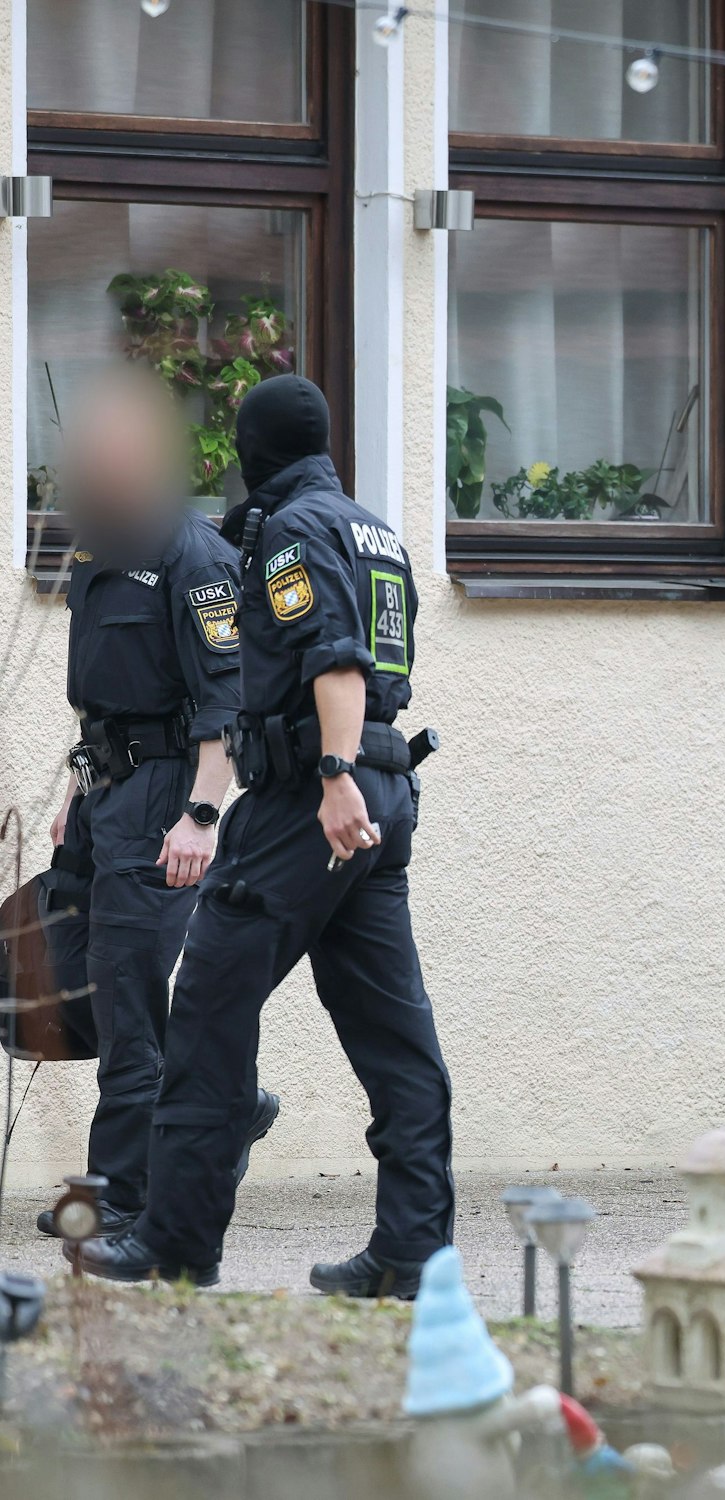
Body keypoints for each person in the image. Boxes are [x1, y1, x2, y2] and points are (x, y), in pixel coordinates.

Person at [77, 374, 454, 1293]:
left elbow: (334, 657)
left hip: (312, 798)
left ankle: (176, 1240)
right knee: (396, 1038)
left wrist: (330, 775)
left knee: (207, 1009)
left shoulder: (290, 530)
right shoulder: (373, 529)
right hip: (382, 790)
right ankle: (413, 1251)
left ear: (257, 449)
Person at [39, 371, 278, 1239]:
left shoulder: (194, 555)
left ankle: (122, 1190)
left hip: (163, 798)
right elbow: (105, 694)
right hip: (105, 795)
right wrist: (78, 789)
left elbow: (226, 696)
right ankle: (227, 1104)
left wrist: (202, 816)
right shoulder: (97, 551)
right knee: (90, 980)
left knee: (127, 988)